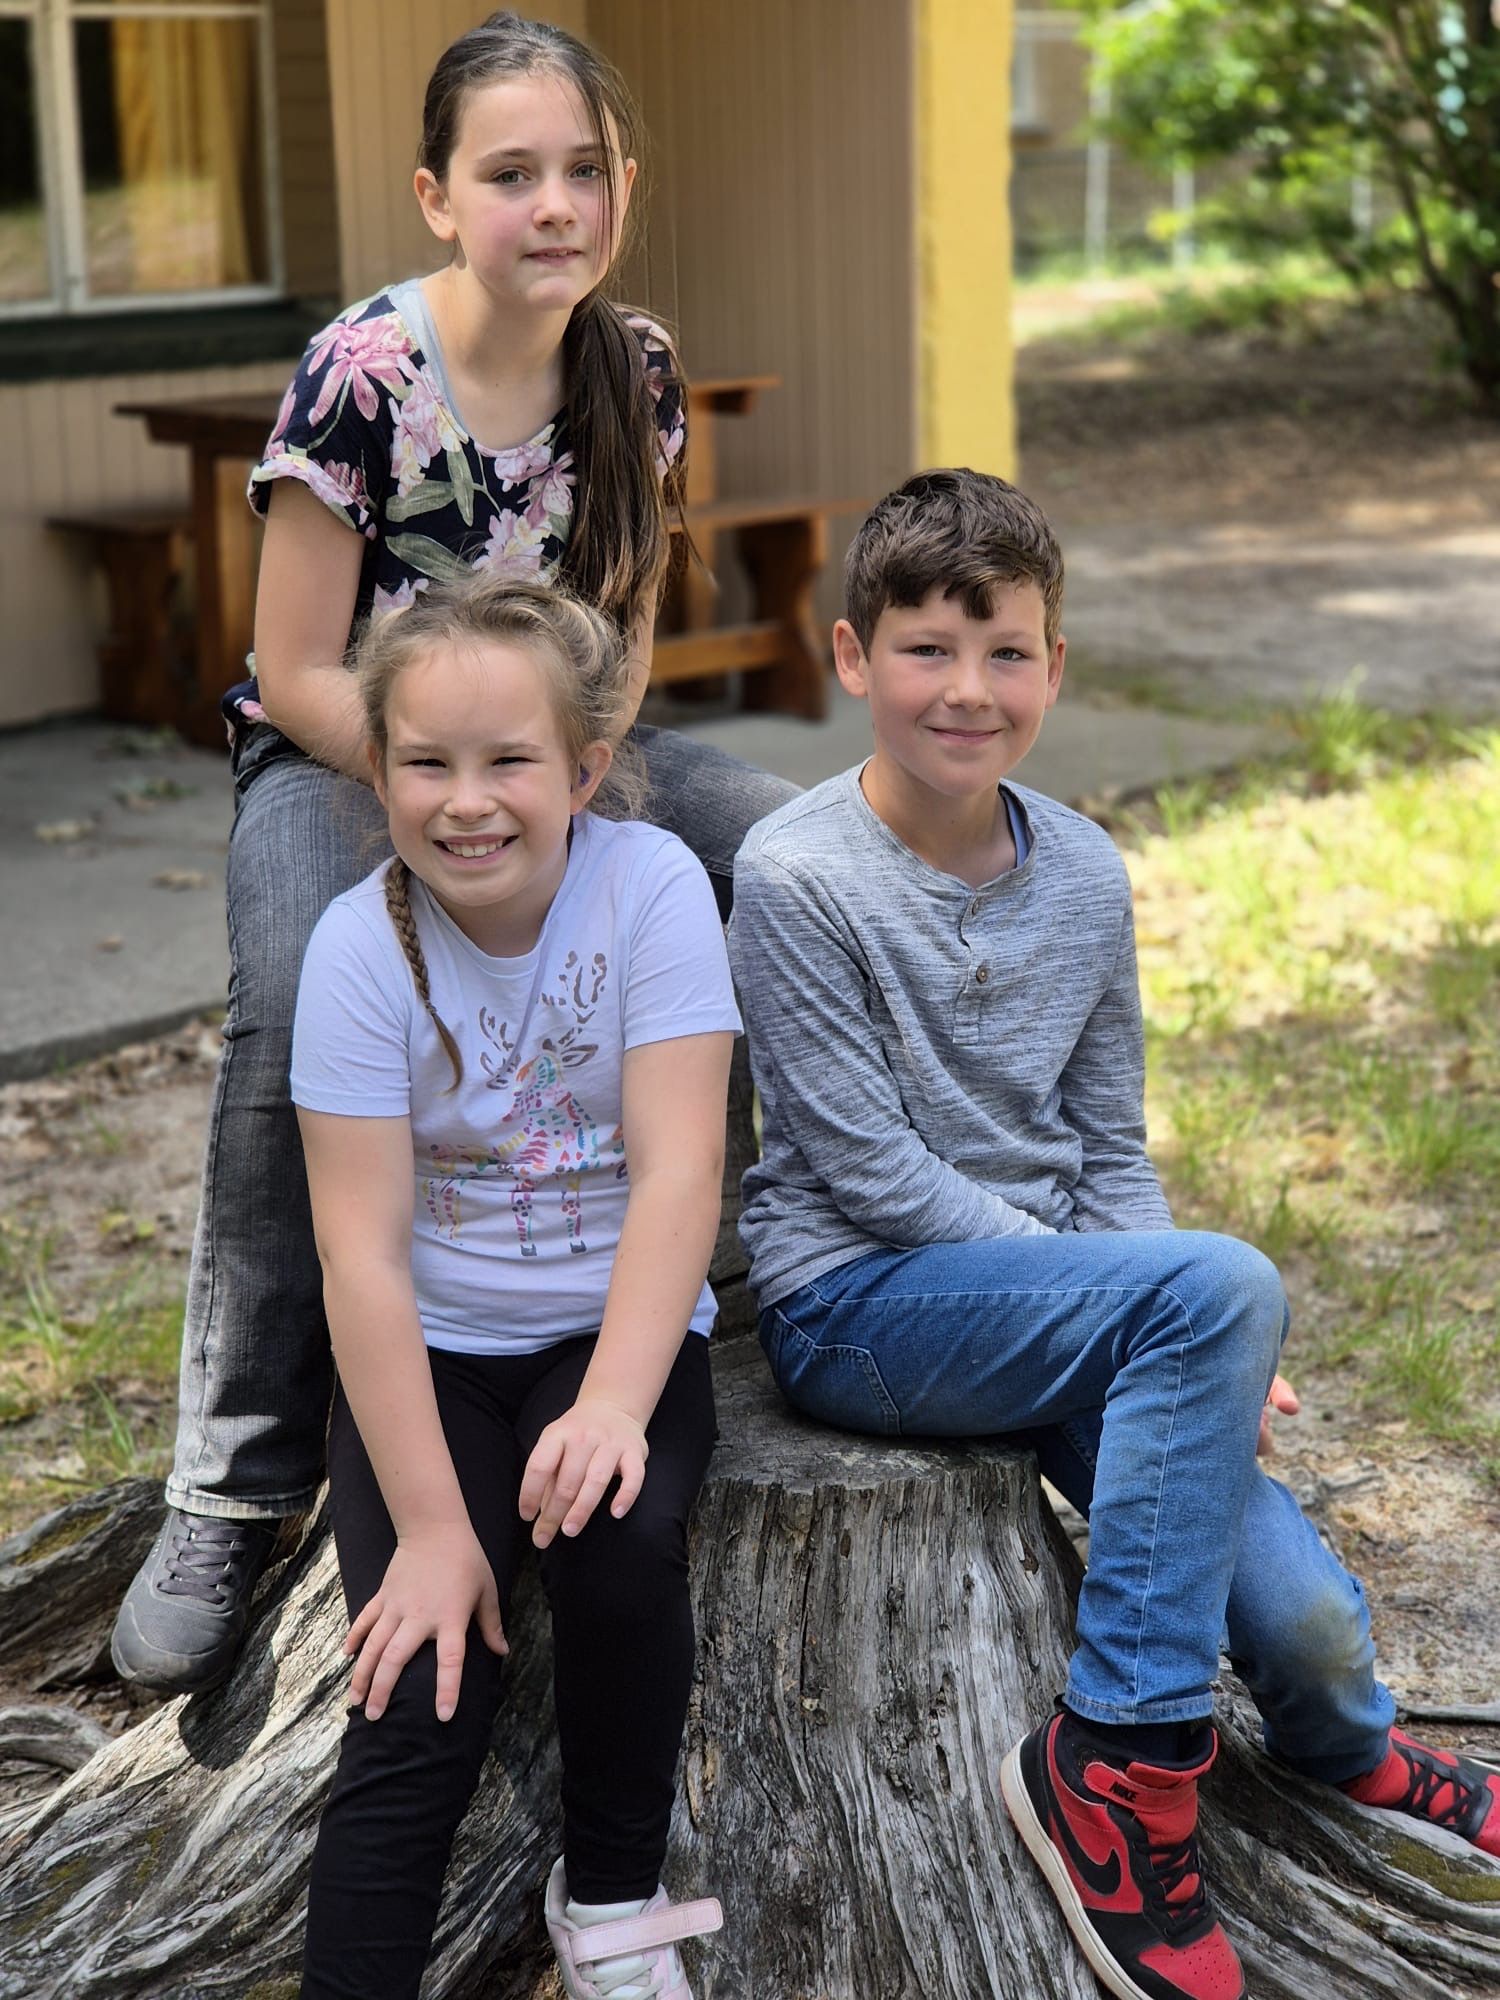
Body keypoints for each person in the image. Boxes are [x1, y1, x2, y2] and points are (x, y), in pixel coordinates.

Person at [727, 469, 1500, 2000]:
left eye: (1006, 651)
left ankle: (1349, 1749)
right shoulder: (797, 875)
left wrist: (1166, 1319)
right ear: (852, 657)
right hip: (860, 1306)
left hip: (1069, 1309)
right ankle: (1119, 1766)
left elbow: (1107, 1147)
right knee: (1216, 1287)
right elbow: (870, 1174)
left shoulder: (1082, 868)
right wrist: (1156, 1307)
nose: (968, 688)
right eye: (927, 648)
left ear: (1056, 667)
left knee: (1307, 1622)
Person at [111, 9, 794, 1695]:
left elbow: (622, 639)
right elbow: (291, 666)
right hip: (348, 756)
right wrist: (450, 794)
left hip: (559, 756)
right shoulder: (363, 372)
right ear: (437, 196)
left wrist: (569, 787)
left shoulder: (634, 370)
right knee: (292, 994)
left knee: (796, 860)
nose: (553, 204)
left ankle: (771, 1262)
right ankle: (235, 1473)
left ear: (620, 186)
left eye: (584, 170)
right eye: (510, 174)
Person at [291, 572, 733, 1999]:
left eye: (510, 762)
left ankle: (610, 1910)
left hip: (615, 1331)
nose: (467, 802)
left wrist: (613, 1406)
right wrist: (432, 1528)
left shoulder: (650, 887)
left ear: (586, 770)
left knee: (619, 1554)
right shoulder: (356, 948)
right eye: (427, 763)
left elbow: (679, 1173)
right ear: (378, 771)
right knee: (420, 1676)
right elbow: (360, 1255)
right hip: (432, 1355)